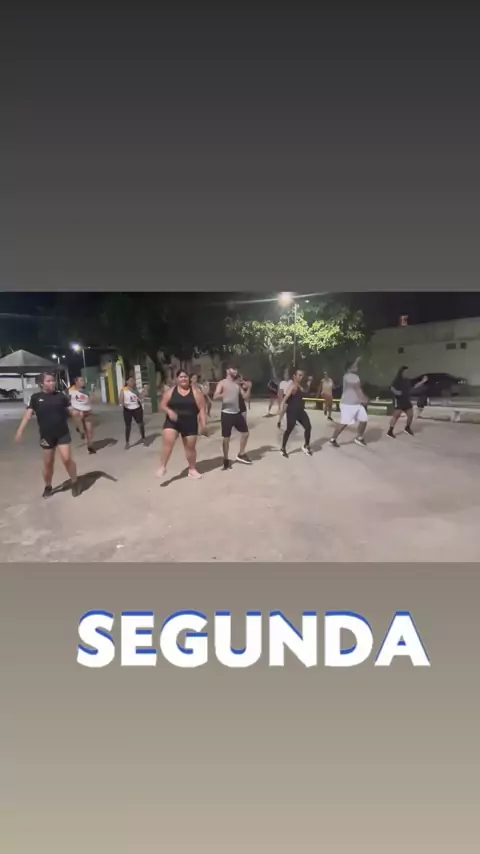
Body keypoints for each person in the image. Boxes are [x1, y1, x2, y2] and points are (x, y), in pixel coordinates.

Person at [14, 372, 81, 498]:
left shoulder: (61, 396)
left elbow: (72, 411)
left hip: (62, 433)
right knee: (48, 463)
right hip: (46, 435)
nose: (52, 383)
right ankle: (48, 486)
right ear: (41, 383)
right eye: (48, 381)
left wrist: (78, 423)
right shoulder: (35, 398)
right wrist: (20, 431)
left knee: (67, 459)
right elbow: (28, 415)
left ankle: (75, 481)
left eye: (53, 380)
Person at [157, 370, 206, 479]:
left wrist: (204, 425)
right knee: (168, 442)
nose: (183, 379)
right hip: (173, 421)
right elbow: (163, 405)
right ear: (177, 379)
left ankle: (192, 469)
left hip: (190, 422)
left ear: (189, 378)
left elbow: (202, 409)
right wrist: (169, 411)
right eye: (181, 377)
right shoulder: (171, 391)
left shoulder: (196, 392)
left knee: (190, 448)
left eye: (185, 377)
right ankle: (162, 466)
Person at [214, 366, 252, 470]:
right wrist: (223, 394)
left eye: (236, 369)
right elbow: (215, 396)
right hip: (226, 414)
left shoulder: (236, 385)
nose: (235, 371)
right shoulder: (222, 383)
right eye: (233, 369)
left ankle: (241, 453)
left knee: (245, 433)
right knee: (226, 438)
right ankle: (226, 460)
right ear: (227, 371)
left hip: (237, 413)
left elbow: (245, 397)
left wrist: (249, 388)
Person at [329, 358, 368, 448]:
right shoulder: (349, 376)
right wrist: (363, 398)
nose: (357, 368)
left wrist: (357, 360)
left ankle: (359, 438)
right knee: (344, 423)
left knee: (364, 420)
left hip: (357, 404)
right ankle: (332, 439)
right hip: (348, 404)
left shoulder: (353, 376)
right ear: (349, 369)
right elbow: (357, 388)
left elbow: (358, 389)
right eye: (354, 367)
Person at [277, 369, 313, 458]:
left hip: (300, 411)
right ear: (294, 376)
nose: (301, 377)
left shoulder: (301, 386)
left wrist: (309, 382)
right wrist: (281, 407)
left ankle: (306, 446)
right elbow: (285, 398)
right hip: (292, 411)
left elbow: (305, 391)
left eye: (302, 375)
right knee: (289, 429)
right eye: (299, 375)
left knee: (308, 427)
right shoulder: (292, 386)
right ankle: (283, 448)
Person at [387, 367, 428, 438]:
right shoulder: (397, 380)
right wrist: (396, 392)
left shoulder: (408, 381)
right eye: (406, 372)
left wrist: (423, 381)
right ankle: (390, 431)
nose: (408, 373)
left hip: (406, 400)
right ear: (402, 372)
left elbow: (415, 386)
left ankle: (407, 428)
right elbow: (391, 387)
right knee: (396, 416)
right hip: (399, 400)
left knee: (410, 415)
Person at [119, 376, 148, 450]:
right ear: (127, 382)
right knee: (128, 426)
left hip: (137, 409)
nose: (133, 382)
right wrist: (125, 404)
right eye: (131, 380)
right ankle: (127, 442)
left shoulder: (135, 390)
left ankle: (143, 438)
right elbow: (121, 401)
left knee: (140, 424)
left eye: (133, 380)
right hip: (128, 410)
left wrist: (145, 392)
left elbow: (140, 396)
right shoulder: (124, 390)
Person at [69, 376, 96, 453]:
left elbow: (92, 400)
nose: (83, 382)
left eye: (83, 380)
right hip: (77, 412)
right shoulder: (71, 390)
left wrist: (92, 393)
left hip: (87, 411)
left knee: (89, 430)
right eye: (81, 380)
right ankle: (80, 430)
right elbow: (66, 401)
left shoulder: (87, 390)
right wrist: (71, 408)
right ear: (76, 382)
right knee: (83, 429)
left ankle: (90, 446)